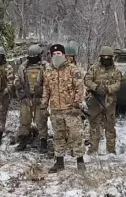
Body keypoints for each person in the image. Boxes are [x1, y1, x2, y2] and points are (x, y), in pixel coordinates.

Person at [41, 44, 86, 172]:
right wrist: (44, 105)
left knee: (76, 135)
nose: (56, 56)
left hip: (70, 109)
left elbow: (80, 88)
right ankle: (59, 162)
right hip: (55, 109)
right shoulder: (48, 71)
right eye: (54, 54)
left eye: (59, 53)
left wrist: (76, 104)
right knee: (58, 136)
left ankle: (80, 161)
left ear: (64, 55)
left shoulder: (73, 69)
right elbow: (46, 90)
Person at [83, 46, 122, 154]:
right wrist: (96, 87)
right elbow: (87, 80)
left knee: (110, 126)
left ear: (111, 57)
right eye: (104, 56)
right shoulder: (94, 68)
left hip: (110, 102)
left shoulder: (116, 70)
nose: (106, 58)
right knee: (94, 125)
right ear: (100, 57)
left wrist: (107, 89)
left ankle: (111, 150)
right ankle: (93, 149)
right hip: (95, 101)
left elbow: (118, 84)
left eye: (108, 57)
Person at [14, 45, 49, 153]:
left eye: (35, 56)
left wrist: (43, 89)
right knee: (24, 120)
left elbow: (50, 81)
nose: (33, 58)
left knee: (41, 121)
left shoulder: (45, 66)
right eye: (31, 56)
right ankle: (23, 140)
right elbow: (17, 80)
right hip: (26, 99)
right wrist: (20, 87)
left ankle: (43, 141)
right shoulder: (23, 67)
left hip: (40, 99)